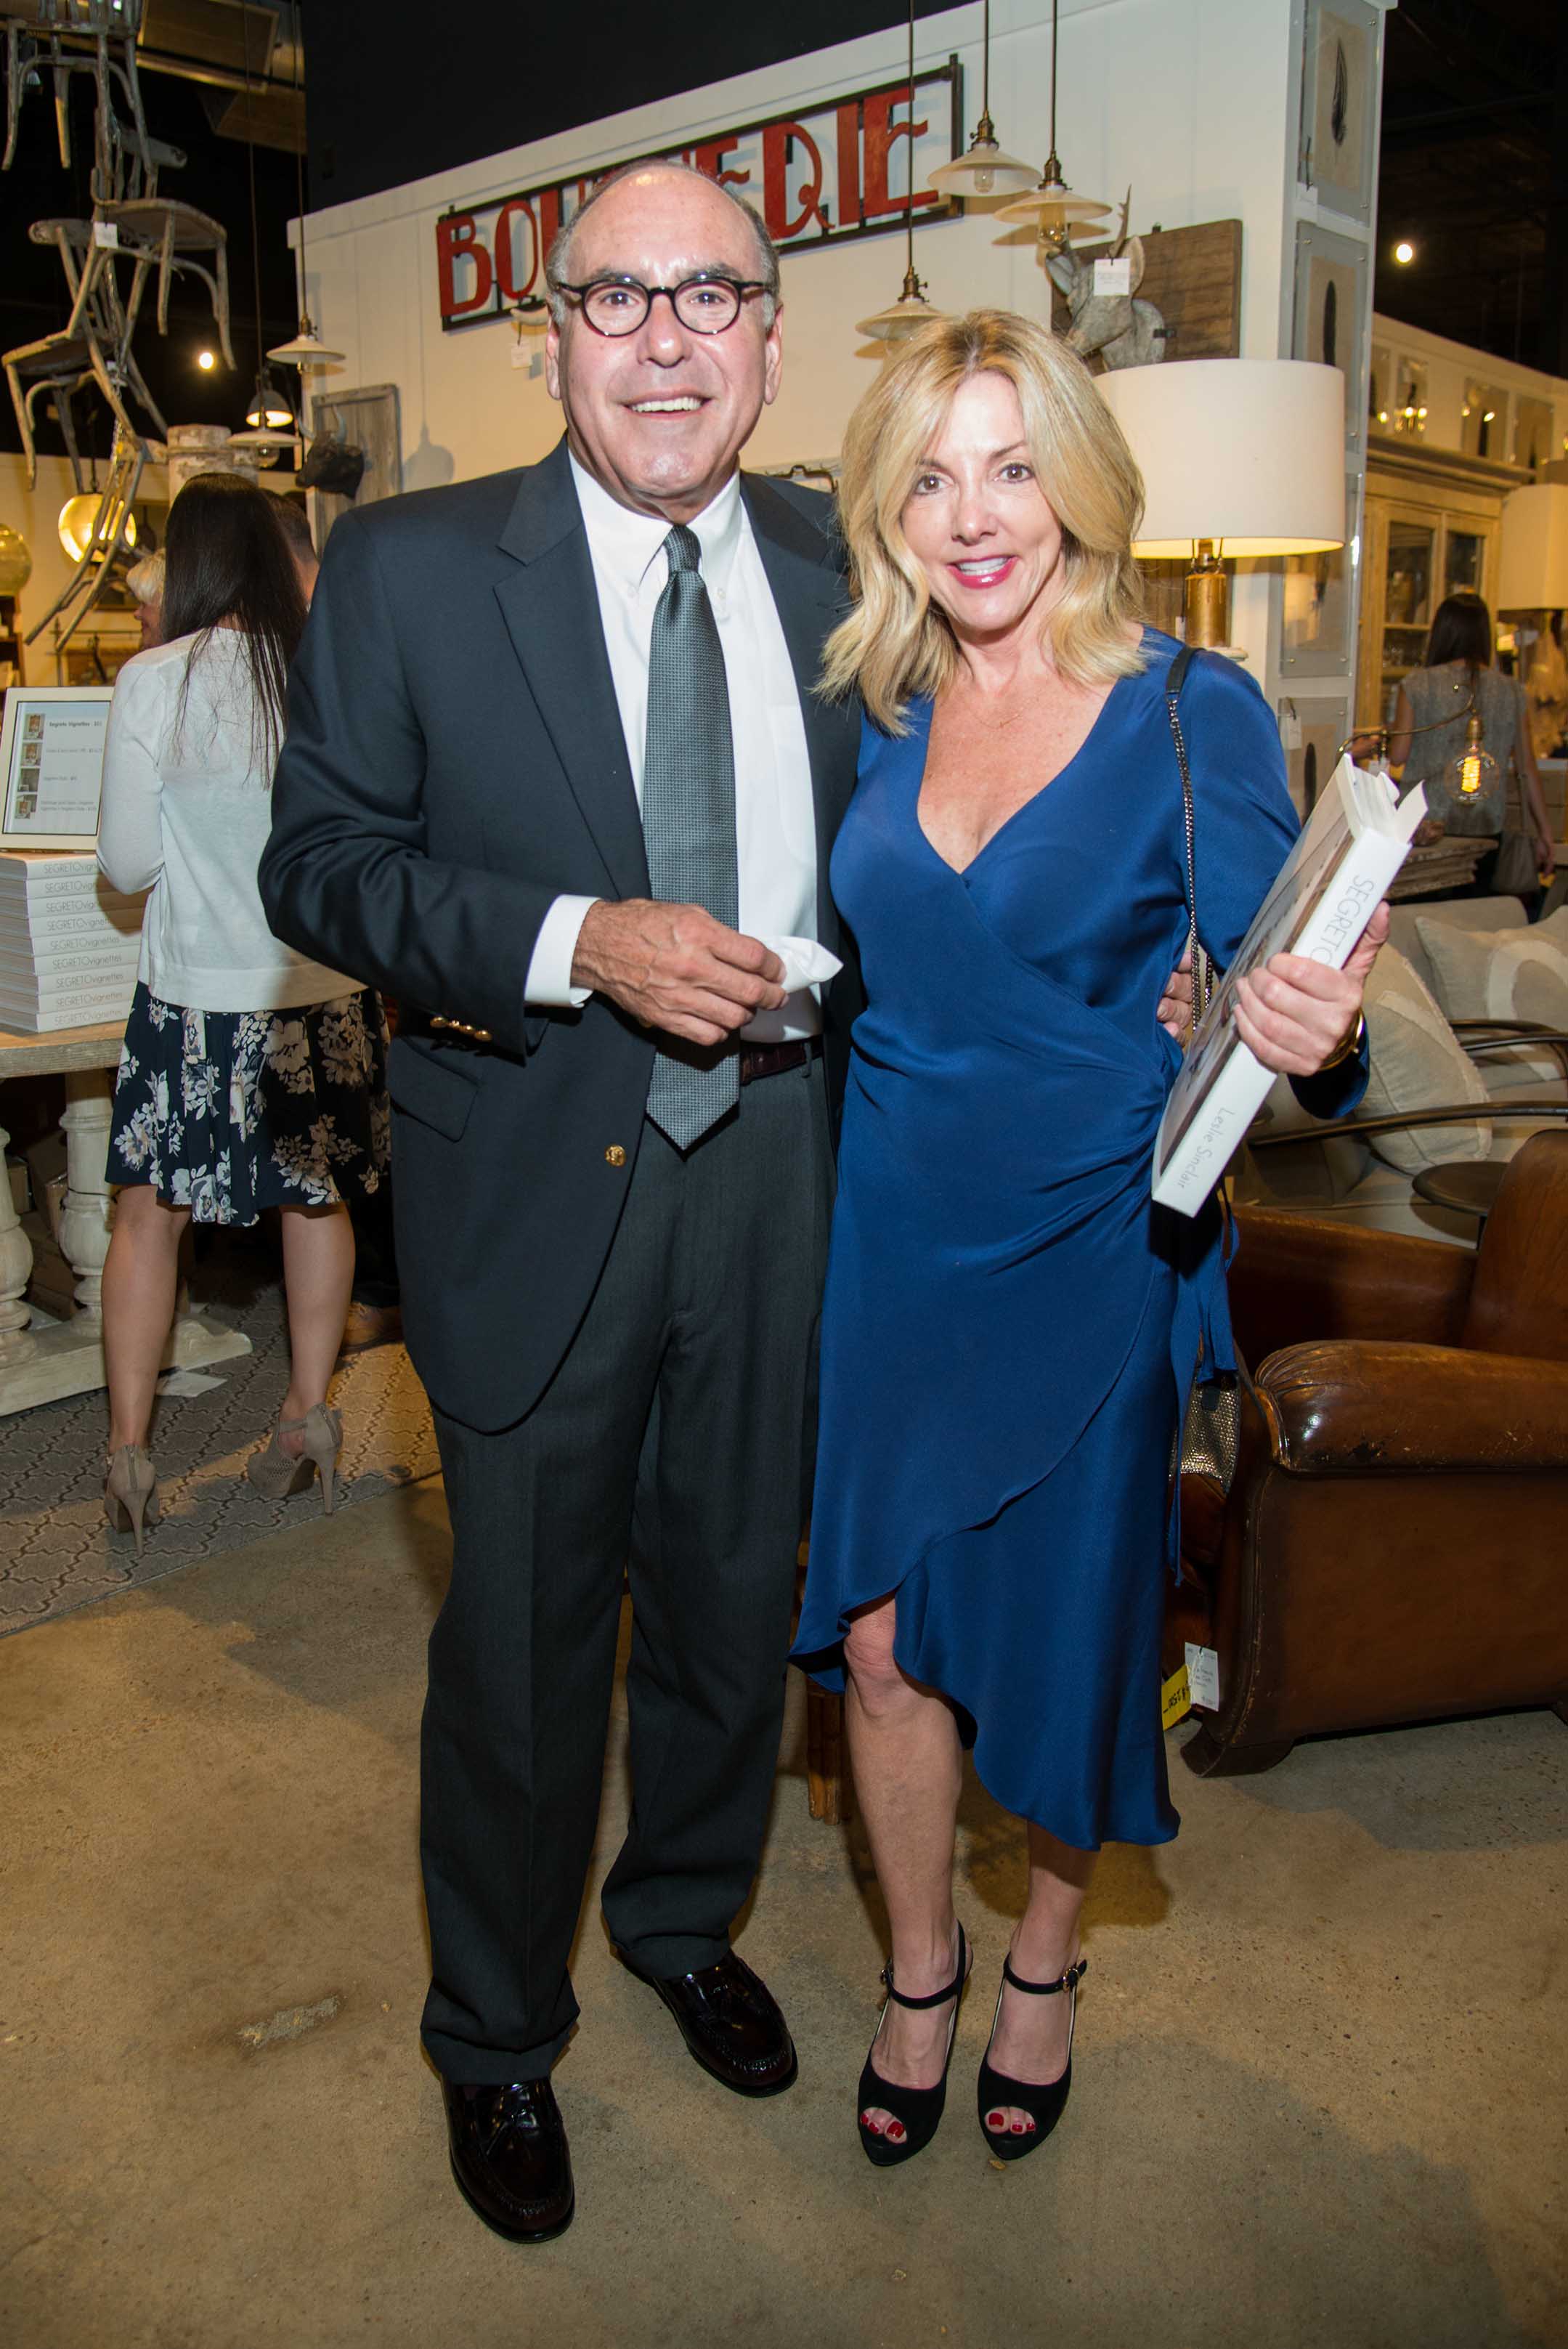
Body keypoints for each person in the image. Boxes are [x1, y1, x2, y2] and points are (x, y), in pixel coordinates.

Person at [259, 169, 1192, 2246]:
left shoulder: (842, 563)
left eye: (710, 295)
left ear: (771, 338)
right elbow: (317, 866)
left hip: (799, 1174)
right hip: (535, 1172)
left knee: (727, 1613)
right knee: (520, 1649)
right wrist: (573, 937)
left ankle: (682, 1922)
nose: (665, 338)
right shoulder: (410, 570)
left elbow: (1026, 777)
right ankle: (495, 2034)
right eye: (617, 298)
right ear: (551, 335)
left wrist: (1177, 966)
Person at [791, 312, 1382, 2170]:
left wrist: (1316, 1029)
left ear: (1078, 485)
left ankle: (1042, 1957)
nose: (973, 517)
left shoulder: (1191, 709)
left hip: (1090, 1238)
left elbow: (1299, 1000)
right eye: (929, 478)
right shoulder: (878, 704)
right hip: (894, 1232)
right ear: (885, 512)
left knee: (1066, 1630)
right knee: (876, 1643)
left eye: (1011, 466)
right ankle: (918, 1972)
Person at [97, 472, 389, 1556]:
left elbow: (126, 863)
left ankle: (130, 1452)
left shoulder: (152, 680)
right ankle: (308, 1413)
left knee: (147, 1216)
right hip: (320, 993)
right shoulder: (325, 673)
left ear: (190, 565)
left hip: (195, 1001)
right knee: (315, 1203)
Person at [1388, 591, 1554, 890]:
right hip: (1484, 825)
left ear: (1441, 633)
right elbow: (1526, 769)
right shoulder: (1511, 691)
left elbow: (1398, 755)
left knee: (1422, 913)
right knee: (1474, 913)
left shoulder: (1417, 685)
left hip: (1425, 826)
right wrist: (1545, 832)